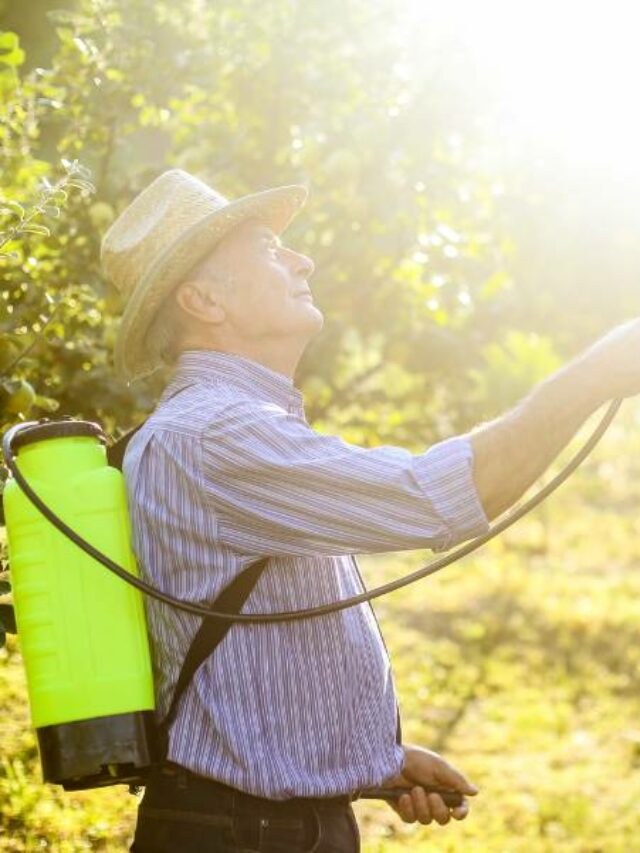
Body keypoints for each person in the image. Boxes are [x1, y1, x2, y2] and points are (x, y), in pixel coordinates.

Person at [100, 169, 640, 852]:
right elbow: (436, 494)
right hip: (241, 834)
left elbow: (255, 661)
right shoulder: (214, 435)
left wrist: (371, 761)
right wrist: (599, 371)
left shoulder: (230, 427)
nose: (303, 259)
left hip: (259, 824)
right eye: (269, 249)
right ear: (203, 298)